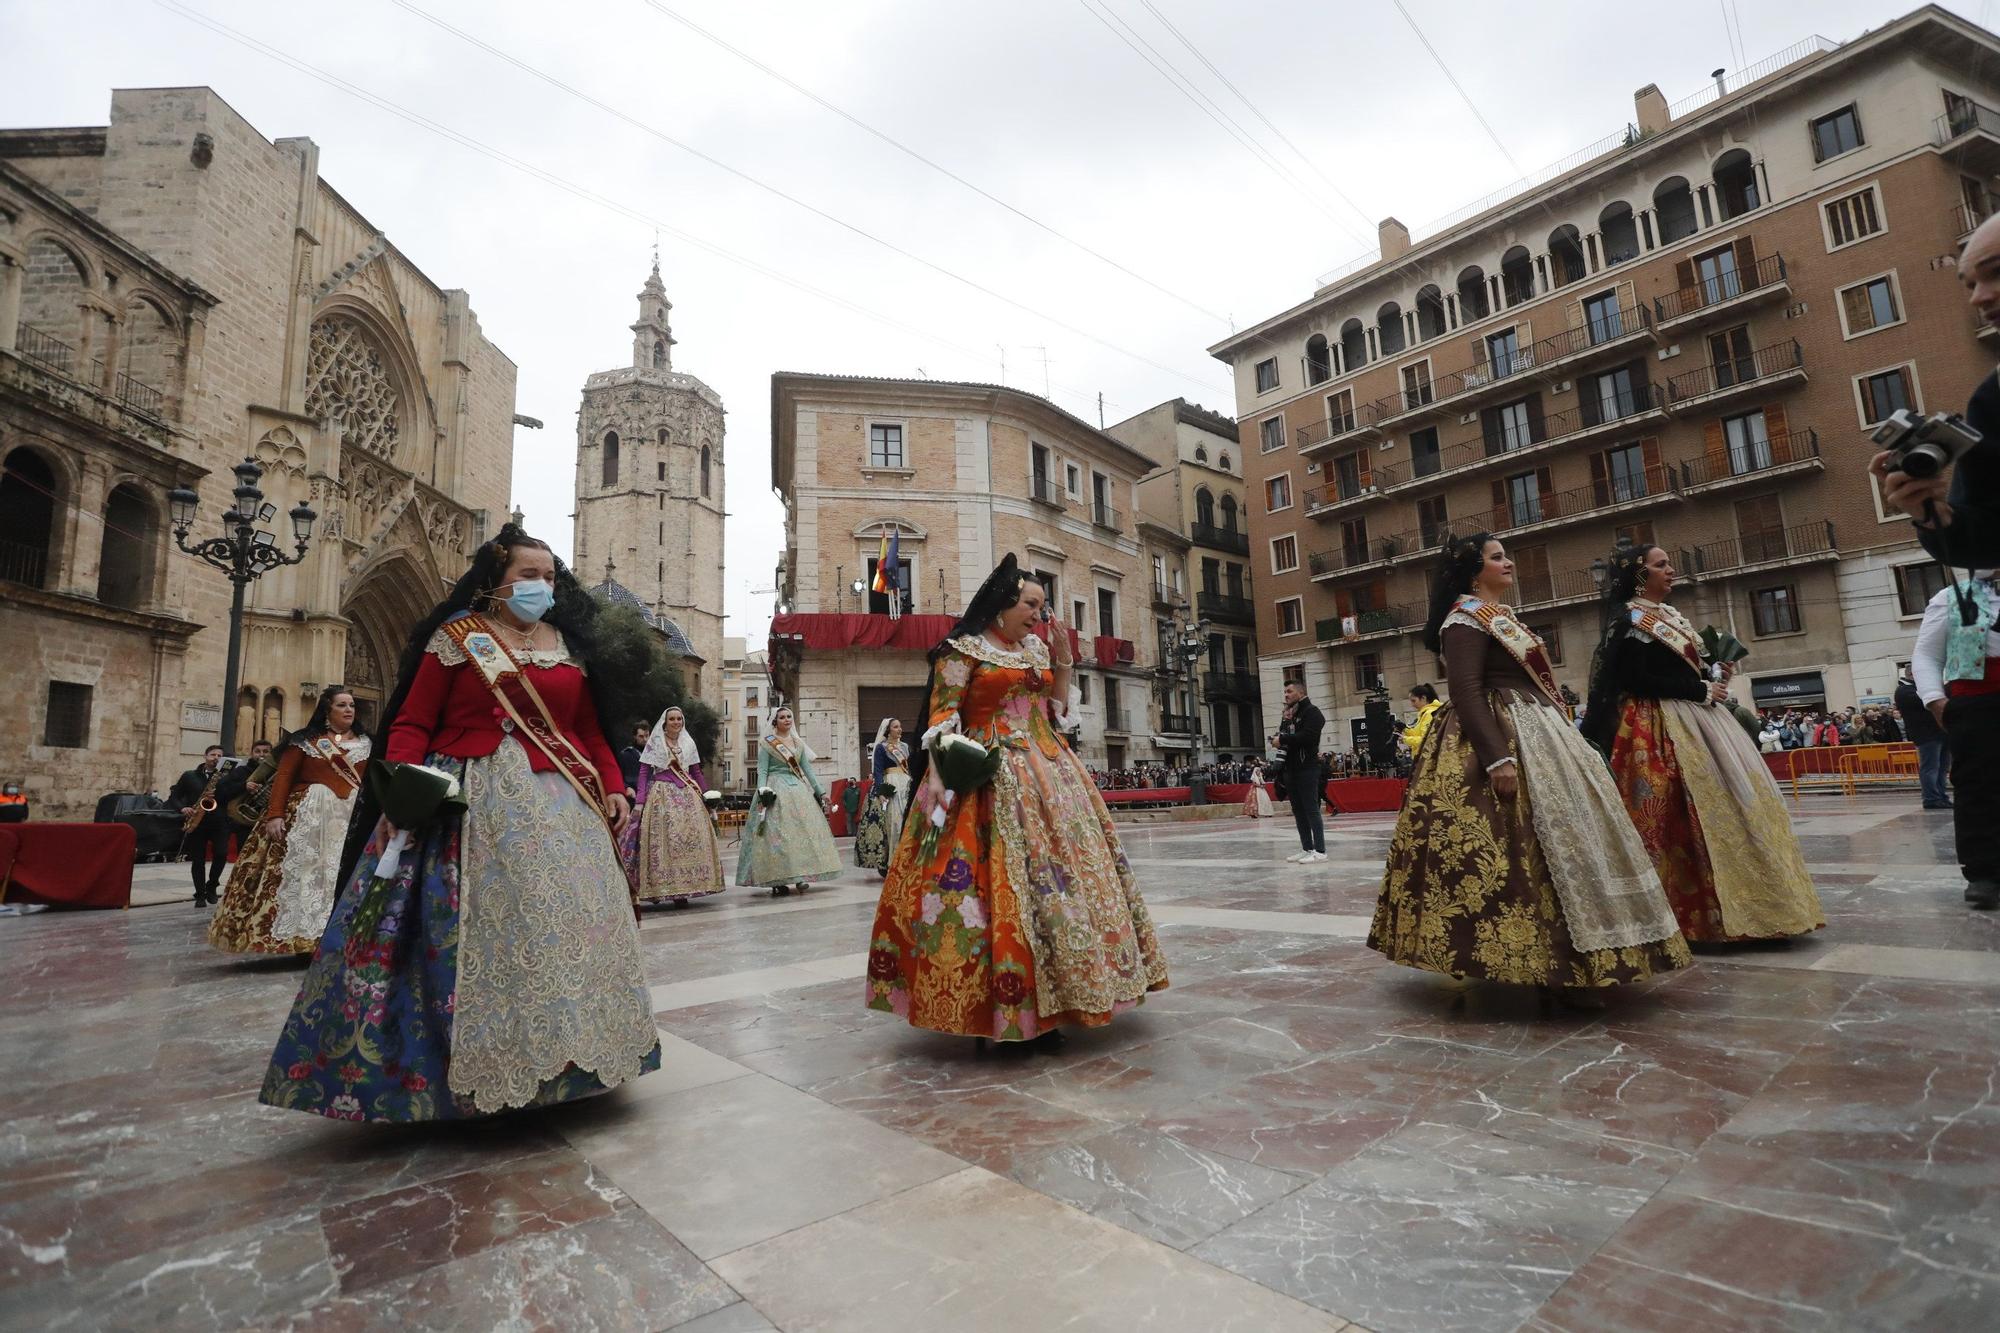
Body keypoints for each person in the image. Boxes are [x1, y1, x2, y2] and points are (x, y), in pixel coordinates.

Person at [260, 524, 659, 1122]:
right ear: (495, 580)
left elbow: (585, 728)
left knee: (572, 924)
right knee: (488, 926)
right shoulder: (458, 639)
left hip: (562, 801)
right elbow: (415, 722)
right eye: (529, 576)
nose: (542, 587)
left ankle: (572, 1055)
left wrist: (613, 783)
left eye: (549, 577)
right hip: (471, 799)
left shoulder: (566, 646)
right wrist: (402, 791)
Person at [1369, 533, 1691, 1008]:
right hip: (1504, 737)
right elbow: (1466, 690)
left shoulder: (1501, 617)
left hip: (1540, 732)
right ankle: (1555, 969)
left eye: (1506, 556)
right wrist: (1497, 756)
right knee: (1526, 852)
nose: (1509, 563)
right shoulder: (1464, 620)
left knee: (1568, 843)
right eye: (1496, 558)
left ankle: (1589, 956)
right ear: (1472, 571)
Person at [865, 553, 1169, 1042]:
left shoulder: (1034, 650)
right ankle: (998, 1010)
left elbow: (1055, 709)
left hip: (1051, 772)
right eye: (1031, 604)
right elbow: (942, 722)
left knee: (1063, 886)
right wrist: (945, 795)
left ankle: (1065, 997)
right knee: (988, 893)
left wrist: (1065, 660)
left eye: (1042, 606)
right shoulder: (961, 652)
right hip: (985, 776)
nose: (1038, 615)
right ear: (1003, 605)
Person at [1582, 544, 1823, 944]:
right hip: (1657, 726)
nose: (1671, 570)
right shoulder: (1630, 620)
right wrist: (1699, 688)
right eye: (1662, 566)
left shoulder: (1669, 617)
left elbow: (1684, 669)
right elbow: (1634, 679)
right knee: (1673, 815)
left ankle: (1755, 905)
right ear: (1640, 575)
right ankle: (1692, 916)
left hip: (1697, 719)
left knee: (1734, 805)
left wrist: (1716, 674)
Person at [1873, 212, 2000, 566]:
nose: (1978, 298)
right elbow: (1989, 532)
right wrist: (1932, 514)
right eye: (1970, 285)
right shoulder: (1993, 398)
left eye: (1997, 272)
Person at [210, 688, 371, 956]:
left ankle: (347, 933)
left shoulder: (367, 742)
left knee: (344, 872)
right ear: (327, 710)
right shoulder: (305, 741)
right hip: (309, 818)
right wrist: (275, 814)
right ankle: (303, 936)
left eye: (352, 705)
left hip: (350, 819)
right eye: (342, 705)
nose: (349, 710)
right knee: (307, 876)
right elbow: (284, 777)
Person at [1911, 572, 2000, 909]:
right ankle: (1984, 873)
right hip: (1975, 704)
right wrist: (1935, 699)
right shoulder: (1949, 598)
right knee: (1977, 789)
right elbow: (1926, 656)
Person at [737, 706, 841, 896]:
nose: (786, 719)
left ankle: (800, 875)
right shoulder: (767, 743)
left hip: (797, 790)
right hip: (775, 790)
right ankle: (777, 877)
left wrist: (821, 792)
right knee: (777, 836)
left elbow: (807, 770)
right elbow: (763, 770)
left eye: (789, 717)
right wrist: (762, 792)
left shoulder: (798, 744)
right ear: (775, 721)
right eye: (782, 717)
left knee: (800, 835)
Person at [630, 705, 726, 906]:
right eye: (672, 719)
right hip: (662, 794)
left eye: (679, 719)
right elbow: (644, 772)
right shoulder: (655, 742)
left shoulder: (688, 742)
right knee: (666, 841)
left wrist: (707, 796)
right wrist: (639, 802)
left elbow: (696, 772)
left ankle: (687, 888)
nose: (676, 722)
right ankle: (666, 888)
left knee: (690, 838)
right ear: (665, 723)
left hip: (688, 796)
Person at [171, 745, 234, 907]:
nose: (216, 758)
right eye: (212, 754)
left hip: (220, 821)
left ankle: (212, 885)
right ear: (205, 756)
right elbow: (175, 796)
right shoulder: (189, 776)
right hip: (197, 822)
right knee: (197, 860)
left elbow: (232, 796)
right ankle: (199, 894)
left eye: (220, 755)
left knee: (221, 853)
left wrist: (220, 792)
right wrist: (182, 808)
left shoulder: (226, 777)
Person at [1273, 680, 1327, 864]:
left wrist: (1283, 738)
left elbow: (1308, 737)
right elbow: (1285, 736)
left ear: (1300, 693)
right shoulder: (1288, 715)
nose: (1286, 695)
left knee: (1311, 809)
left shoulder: (1312, 712)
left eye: (1289, 691)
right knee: (1298, 810)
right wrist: (1278, 737)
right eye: (1285, 692)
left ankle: (1320, 850)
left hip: (1307, 767)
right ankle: (1307, 848)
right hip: (1290, 768)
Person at [854, 717, 913, 875]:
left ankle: (909, 858)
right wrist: (880, 792)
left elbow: (911, 767)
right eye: (895, 727)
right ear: (888, 730)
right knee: (894, 822)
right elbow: (878, 770)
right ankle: (893, 859)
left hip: (906, 783)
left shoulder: (906, 747)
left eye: (900, 726)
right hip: (891, 783)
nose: (899, 729)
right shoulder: (881, 748)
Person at [1896, 664, 1950, 810]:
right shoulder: (1904, 691)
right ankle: (1931, 798)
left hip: (1941, 732)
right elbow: (1928, 701)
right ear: (1913, 674)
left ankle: (1941, 795)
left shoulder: (1917, 689)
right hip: (1926, 735)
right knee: (1931, 767)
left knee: (1942, 767)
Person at [1403, 684, 1442, 757]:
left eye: (1414, 701)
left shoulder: (1429, 714)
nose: (1412, 704)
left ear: (1423, 698)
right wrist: (1405, 729)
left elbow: (1426, 740)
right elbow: (1421, 733)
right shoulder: (1425, 713)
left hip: (1425, 758)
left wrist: (1405, 739)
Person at [618, 722, 649, 798]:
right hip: (634, 794)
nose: (645, 739)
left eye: (647, 736)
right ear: (635, 736)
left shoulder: (655, 754)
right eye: (641, 736)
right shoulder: (626, 755)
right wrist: (627, 787)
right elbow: (619, 776)